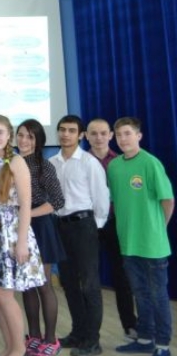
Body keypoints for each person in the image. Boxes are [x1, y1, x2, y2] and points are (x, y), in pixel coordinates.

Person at [107, 117, 173, 356]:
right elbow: (116, 201)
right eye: (119, 134)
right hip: (128, 243)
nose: (123, 139)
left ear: (139, 136)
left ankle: (163, 345)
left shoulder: (150, 163)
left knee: (158, 296)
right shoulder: (114, 166)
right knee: (140, 294)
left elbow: (168, 200)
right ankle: (145, 340)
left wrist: (158, 228)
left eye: (128, 133)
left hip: (153, 245)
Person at [0, 115, 45, 356]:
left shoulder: (16, 161)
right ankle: (8, 347)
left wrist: (22, 242)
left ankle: (18, 349)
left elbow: (26, 204)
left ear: (9, 134)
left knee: (5, 295)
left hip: (10, 232)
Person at [49, 115, 109, 356]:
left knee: (89, 285)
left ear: (80, 135)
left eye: (71, 130)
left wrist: (94, 228)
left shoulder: (89, 162)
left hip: (84, 226)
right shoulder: (52, 163)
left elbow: (101, 198)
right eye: (62, 129)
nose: (66, 134)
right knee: (69, 283)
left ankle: (93, 341)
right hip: (60, 227)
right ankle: (78, 333)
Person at [15, 119, 66, 356]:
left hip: (40, 226)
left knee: (43, 284)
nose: (24, 140)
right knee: (26, 286)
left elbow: (57, 201)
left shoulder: (44, 166)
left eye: (30, 136)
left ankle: (50, 339)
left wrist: (27, 215)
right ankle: (34, 337)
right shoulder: (11, 164)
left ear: (38, 141)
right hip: (18, 227)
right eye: (20, 135)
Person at [86, 118, 137, 340]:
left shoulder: (120, 162)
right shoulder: (81, 162)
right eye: (93, 133)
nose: (98, 138)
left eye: (103, 133)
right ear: (86, 136)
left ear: (110, 136)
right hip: (88, 225)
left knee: (122, 277)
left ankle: (130, 325)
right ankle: (89, 331)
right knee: (88, 278)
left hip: (115, 223)